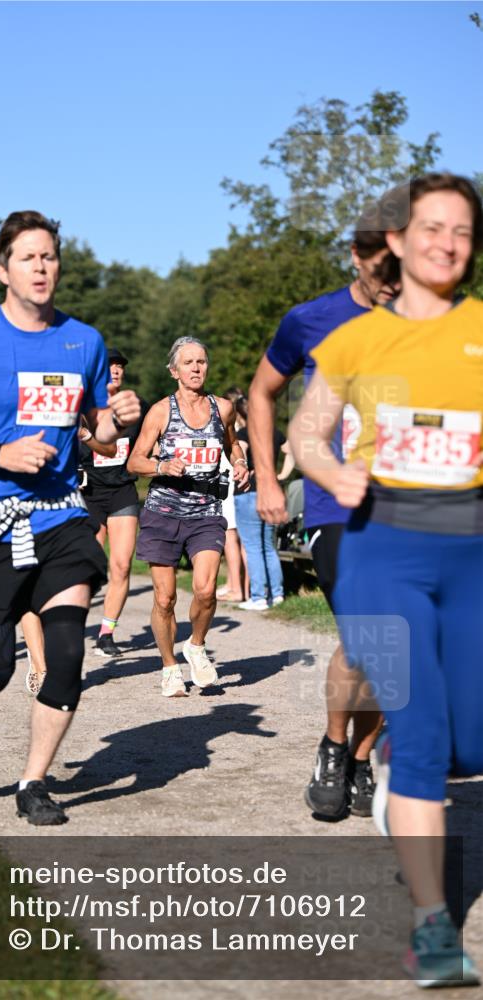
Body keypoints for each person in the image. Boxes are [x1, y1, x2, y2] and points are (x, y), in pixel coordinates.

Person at [289, 173, 482, 988]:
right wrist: (333, 472)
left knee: (466, 746)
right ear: (397, 242)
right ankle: (433, 929)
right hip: (380, 550)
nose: (446, 241)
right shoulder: (355, 341)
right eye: (431, 227)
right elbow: (305, 432)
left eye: (462, 231)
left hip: (469, 552)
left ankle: (406, 778)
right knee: (426, 736)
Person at [0, 209, 141, 826]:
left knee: (66, 656)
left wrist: (116, 417)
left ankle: (32, 781)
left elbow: (95, 434)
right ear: (2, 268)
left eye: (49, 256)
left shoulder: (84, 341)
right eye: (27, 257)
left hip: (59, 513)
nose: (41, 267)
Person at [248, 212, 399, 820]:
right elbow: (262, 391)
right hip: (339, 505)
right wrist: (265, 476)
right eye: (383, 263)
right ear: (358, 256)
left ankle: (361, 755)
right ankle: (334, 747)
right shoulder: (311, 319)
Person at [127, 337, 250, 697]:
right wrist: (162, 464)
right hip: (163, 513)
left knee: (206, 589)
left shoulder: (222, 408)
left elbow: (232, 443)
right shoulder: (161, 411)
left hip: (206, 512)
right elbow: (134, 461)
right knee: (164, 599)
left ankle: (195, 645)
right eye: (189, 363)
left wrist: (240, 462)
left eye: (202, 362)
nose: (197, 368)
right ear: (174, 371)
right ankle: (169, 667)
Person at [79, 347, 149, 658]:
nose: (116, 370)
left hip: (122, 490)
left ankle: (106, 634)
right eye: (109, 366)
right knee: (85, 566)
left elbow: (152, 440)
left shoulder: (137, 407)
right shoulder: (81, 408)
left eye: (120, 366)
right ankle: (71, 624)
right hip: (87, 492)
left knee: (121, 565)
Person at [234, 396, 285, 610]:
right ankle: (278, 594)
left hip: (249, 492)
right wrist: (281, 474)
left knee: (253, 547)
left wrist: (242, 467)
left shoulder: (244, 433)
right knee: (269, 546)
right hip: (272, 490)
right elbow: (290, 450)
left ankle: (258, 597)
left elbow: (241, 452)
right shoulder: (275, 432)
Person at [216, 387, 247, 603]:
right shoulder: (246, 427)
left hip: (228, 484)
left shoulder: (230, 428)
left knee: (230, 537)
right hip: (236, 484)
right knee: (239, 539)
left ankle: (236, 588)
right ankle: (235, 584)